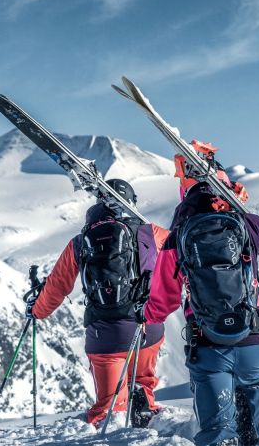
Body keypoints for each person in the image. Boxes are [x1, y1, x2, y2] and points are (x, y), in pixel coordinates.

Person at [144, 155, 259, 446]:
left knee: (217, 432)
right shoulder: (246, 222)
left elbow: (164, 298)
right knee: (255, 432)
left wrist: (147, 318)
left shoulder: (179, 234)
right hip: (254, 339)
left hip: (209, 345)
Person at [29, 179, 169, 427]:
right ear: (132, 203)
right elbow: (184, 260)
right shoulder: (153, 233)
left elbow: (57, 287)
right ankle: (145, 414)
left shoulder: (81, 241)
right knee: (143, 380)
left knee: (109, 407)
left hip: (106, 335)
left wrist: (37, 311)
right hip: (149, 327)